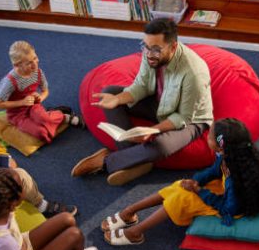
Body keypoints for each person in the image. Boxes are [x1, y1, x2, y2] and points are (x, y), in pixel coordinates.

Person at [71, 18, 213, 186]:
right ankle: (134, 160)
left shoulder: (194, 73)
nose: (148, 53)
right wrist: (117, 99)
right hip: (160, 101)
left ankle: (107, 161)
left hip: (192, 120)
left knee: (161, 146)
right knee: (110, 92)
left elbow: (184, 117)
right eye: (145, 45)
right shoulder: (151, 53)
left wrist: (152, 130)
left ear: (173, 47)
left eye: (155, 49)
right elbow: (142, 85)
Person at [99, 118, 259, 245]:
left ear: (221, 146)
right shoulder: (228, 156)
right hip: (225, 191)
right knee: (180, 185)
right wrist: (194, 182)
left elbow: (228, 207)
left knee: (182, 199)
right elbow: (213, 172)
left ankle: (135, 232)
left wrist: (198, 191)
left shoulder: (236, 177)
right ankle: (129, 211)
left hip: (230, 207)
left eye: (209, 137)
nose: (207, 137)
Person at [0, 40, 84, 144]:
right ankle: (53, 116)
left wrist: (40, 98)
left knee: (44, 118)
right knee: (42, 133)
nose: (35, 64)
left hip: (33, 106)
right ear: (17, 65)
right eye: (29, 63)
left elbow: (45, 91)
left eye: (35, 58)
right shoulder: (9, 82)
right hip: (17, 115)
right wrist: (22, 102)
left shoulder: (38, 72)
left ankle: (65, 117)